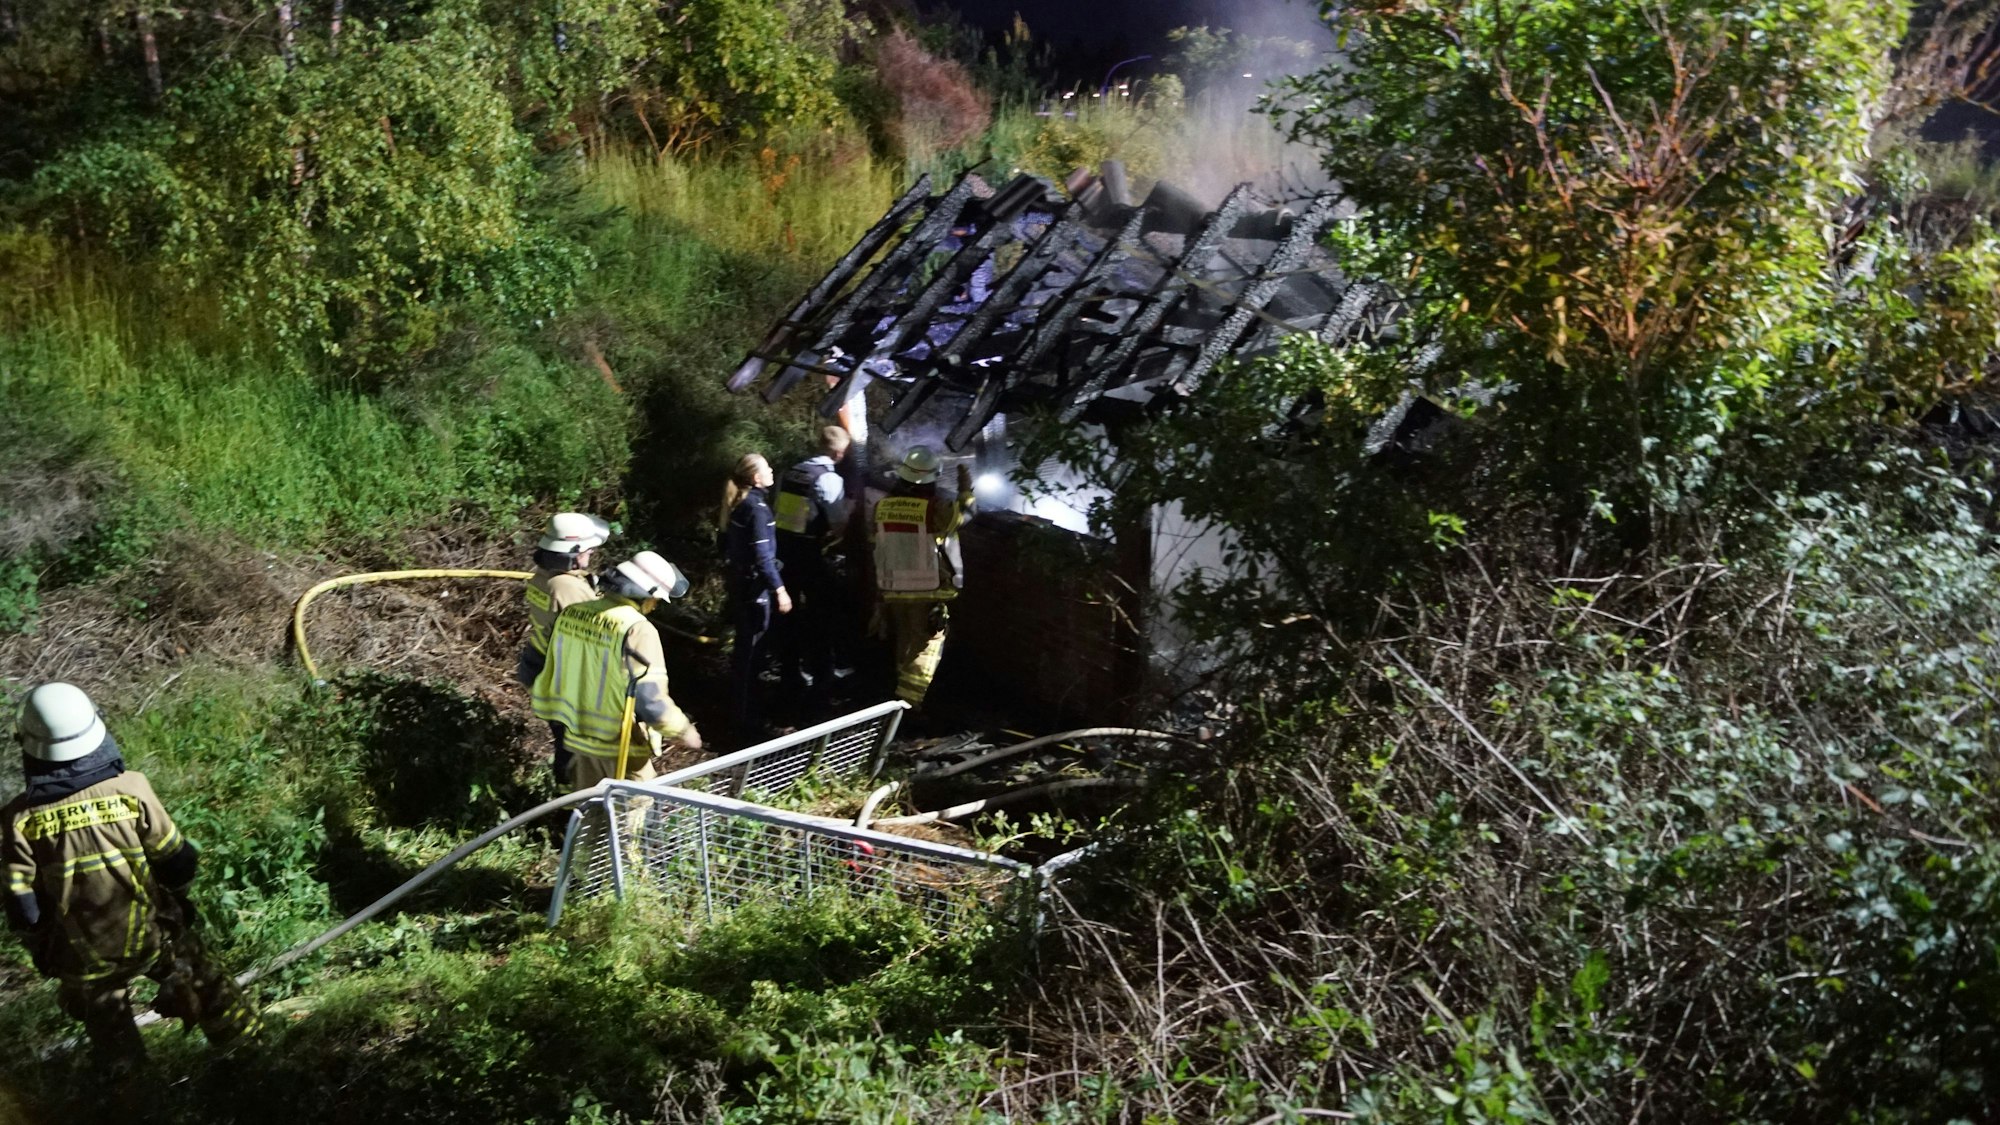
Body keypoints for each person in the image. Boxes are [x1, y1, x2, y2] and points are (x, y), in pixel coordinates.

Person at [3, 683, 261, 1068]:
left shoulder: (18, 820)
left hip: (83, 958)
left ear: (28, 745)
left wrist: (43, 951)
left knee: (111, 1035)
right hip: (153, 938)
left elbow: (23, 907)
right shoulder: (131, 789)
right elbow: (178, 861)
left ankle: (133, 1092)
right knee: (207, 981)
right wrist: (180, 902)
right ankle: (249, 1053)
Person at [531, 551, 702, 792]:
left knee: (588, 813)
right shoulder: (637, 628)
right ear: (647, 596)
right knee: (632, 814)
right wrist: (682, 730)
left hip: (576, 736)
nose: (654, 608)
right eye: (656, 602)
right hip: (618, 743)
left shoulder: (573, 613)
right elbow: (649, 698)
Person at [870, 446, 975, 707]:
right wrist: (966, 490)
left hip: (893, 590)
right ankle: (908, 704)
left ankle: (897, 700)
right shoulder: (935, 508)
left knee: (905, 644)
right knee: (927, 647)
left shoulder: (882, 507)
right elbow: (967, 516)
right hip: (927, 591)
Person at [516, 512, 613, 785]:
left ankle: (564, 800)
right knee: (573, 745)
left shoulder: (543, 577)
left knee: (564, 739)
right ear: (571, 553)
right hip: (563, 677)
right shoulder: (568, 588)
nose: (591, 553)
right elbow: (598, 632)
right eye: (587, 549)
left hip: (539, 664)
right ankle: (570, 803)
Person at [773, 425, 852, 702]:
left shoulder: (792, 471)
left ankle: (790, 673)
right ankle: (823, 678)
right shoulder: (829, 480)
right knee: (823, 615)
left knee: (789, 615)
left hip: (783, 551)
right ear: (839, 452)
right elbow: (839, 524)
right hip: (810, 553)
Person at [721, 453, 791, 740]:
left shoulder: (738, 504)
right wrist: (780, 589)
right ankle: (747, 724)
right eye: (767, 469)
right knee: (752, 654)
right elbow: (763, 557)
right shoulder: (757, 508)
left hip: (740, 586)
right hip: (755, 592)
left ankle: (740, 713)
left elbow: (723, 546)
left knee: (743, 652)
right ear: (756, 478)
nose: (773, 471)